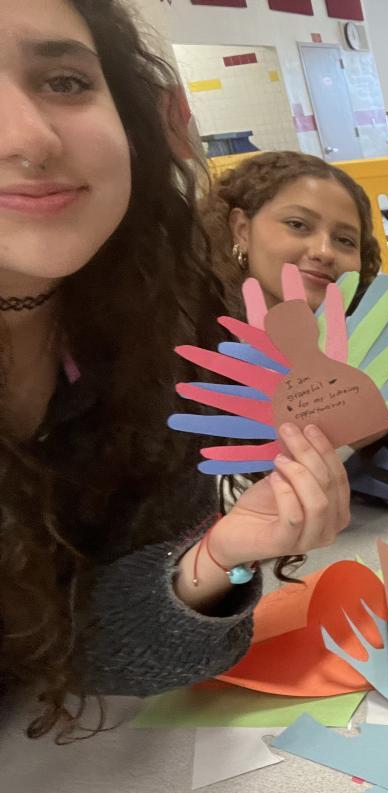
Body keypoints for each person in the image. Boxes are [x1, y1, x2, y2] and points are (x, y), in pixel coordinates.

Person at [0, 0, 350, 739]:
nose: (29, 138)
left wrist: (215, 560)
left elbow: (79, 647)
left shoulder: (151, 324)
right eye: (296, 225)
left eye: (64, 82)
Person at [200, 150, 381, 316]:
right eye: (297, 225)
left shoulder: (377, 326)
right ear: (242, 230)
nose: (324, 252)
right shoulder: (197, 328)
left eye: (345, 240)